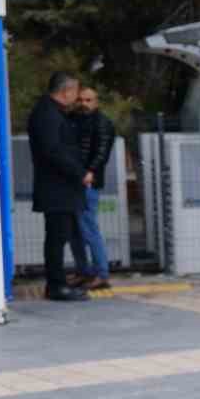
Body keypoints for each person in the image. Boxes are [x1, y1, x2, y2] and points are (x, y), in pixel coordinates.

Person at [27, 73, 91, 302]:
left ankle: (63, 281)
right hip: (56, 188)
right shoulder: (47, 114)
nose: (77, 97)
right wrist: (80, 173)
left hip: (62, 187)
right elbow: (54, 151)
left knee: (62, 235)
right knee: (56, 237)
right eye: (75, 92)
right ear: (66, 91)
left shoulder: (52, 112)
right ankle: (56, 286)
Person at [72, 85, 116, 291]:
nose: (84, 104)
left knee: (88, 228)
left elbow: (102, 153)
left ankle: (101, 273)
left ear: (96, 102)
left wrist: (90, 172)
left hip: (88, 182)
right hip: (75, 180)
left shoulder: (102, 123)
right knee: (76, 229)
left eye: (88, 100)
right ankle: (84, 271)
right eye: (80, 100)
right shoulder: (75, 120)